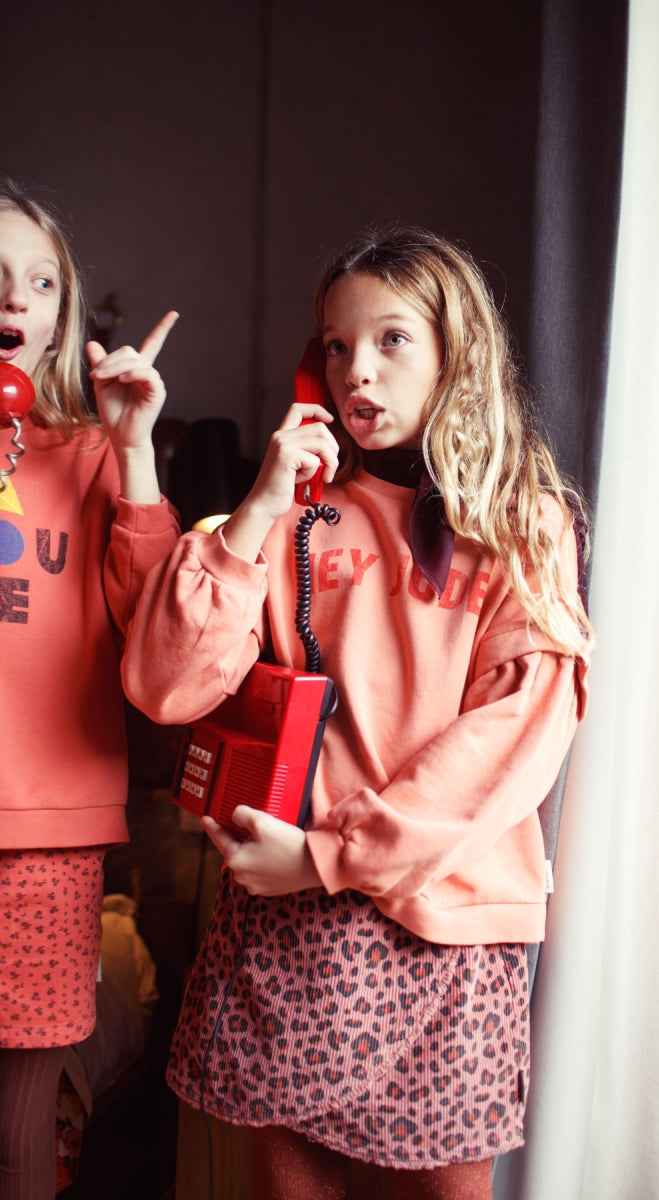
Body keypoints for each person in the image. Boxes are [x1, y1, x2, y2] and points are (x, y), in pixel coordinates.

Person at [122, 225, 592, 1200]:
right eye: (334, 346)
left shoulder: (524, 520)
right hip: (295, 917)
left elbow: (515, 732)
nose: (354, 372)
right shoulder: (292, 517)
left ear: (456, 355)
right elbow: (166, 687)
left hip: (447, 917)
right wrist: (258, 508)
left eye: (390, 340)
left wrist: (329, 855)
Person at [0, 178, 180, 1200]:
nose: (15, 299)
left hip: (48, 840)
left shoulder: (94, 451)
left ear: (63, 312)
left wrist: (134, 447)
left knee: (17, 1127)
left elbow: (161, 625)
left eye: (41, 282)